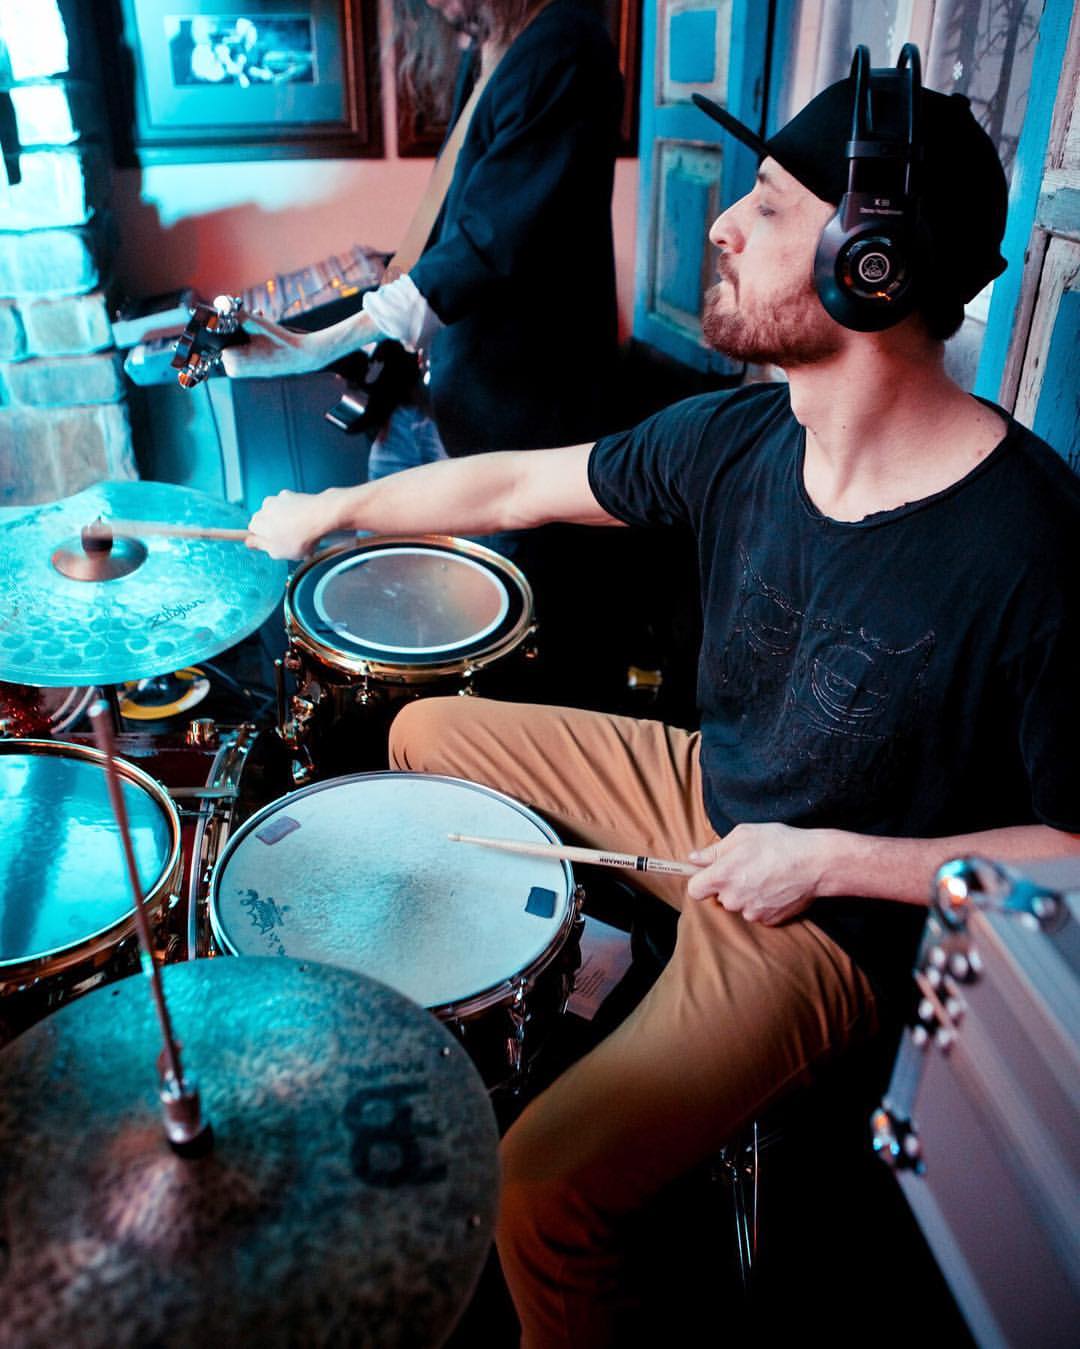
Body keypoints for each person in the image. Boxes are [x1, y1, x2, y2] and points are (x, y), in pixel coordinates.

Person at [244, 55, 1080, 1345]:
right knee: (420, 731)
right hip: (708, 791)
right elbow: (510, 486)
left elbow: (1074, 849)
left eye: (771, 203)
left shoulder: (1031, 544)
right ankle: (592, 965)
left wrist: (829, 859)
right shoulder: (743, 439)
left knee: (541, 1189)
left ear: (872, 265)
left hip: (832, 920)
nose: (725, 224)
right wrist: (334, 507)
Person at [221, 0, 622, 474]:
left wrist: (318, 347)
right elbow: (452, 220)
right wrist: (342, 336)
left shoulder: (563, 45)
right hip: (434, 399)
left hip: (514, 422)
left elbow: (488, 242)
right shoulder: (492, 50)